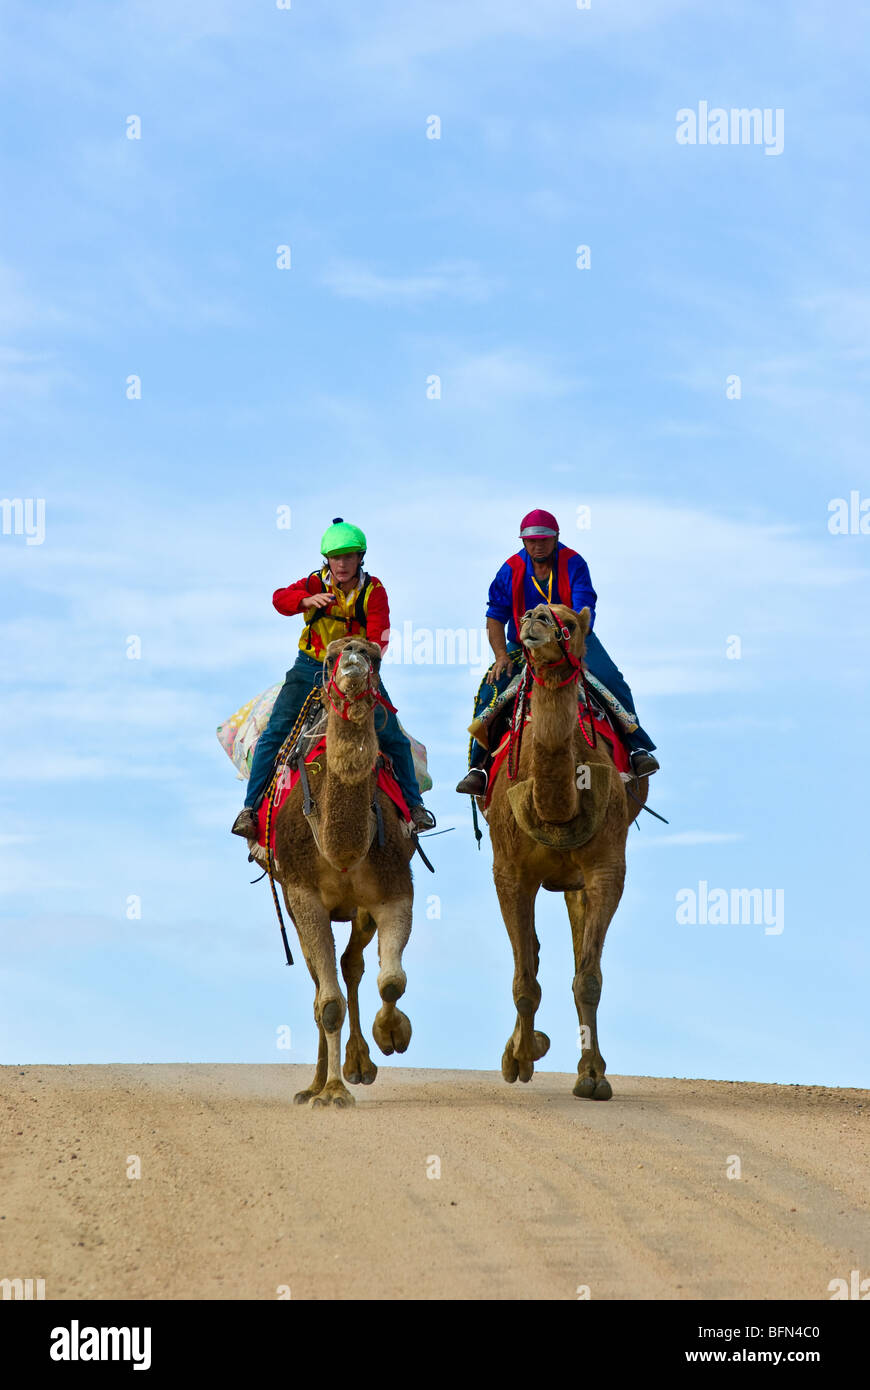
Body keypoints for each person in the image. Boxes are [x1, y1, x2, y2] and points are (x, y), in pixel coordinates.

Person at [231, 518, 435, 838]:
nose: (342, 563)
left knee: (393, 735)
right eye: (337, 557)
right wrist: (304, 601)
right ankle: (249, 811)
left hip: (358, 670)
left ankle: (414, 808)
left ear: (360, 558)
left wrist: (366, 662)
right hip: (311, 669)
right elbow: (279, 599)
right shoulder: (314, 583)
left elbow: (380, 635)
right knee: (275, 733)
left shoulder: (374, 590)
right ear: (327, 559)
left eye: (350, 556)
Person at [455, 508, 659, 796]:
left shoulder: (574, 563)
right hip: (526, 644)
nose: (538, 545)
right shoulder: (511, 570)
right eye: (531, 541)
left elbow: (584, 608)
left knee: (610, 678)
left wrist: (569, 642)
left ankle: (637, 745)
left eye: (544, 540)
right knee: (494, 686)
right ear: (523, 542)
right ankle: (480, 767)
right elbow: (495, 615)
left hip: (571, 638)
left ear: (556, 538)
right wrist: (501, 656)